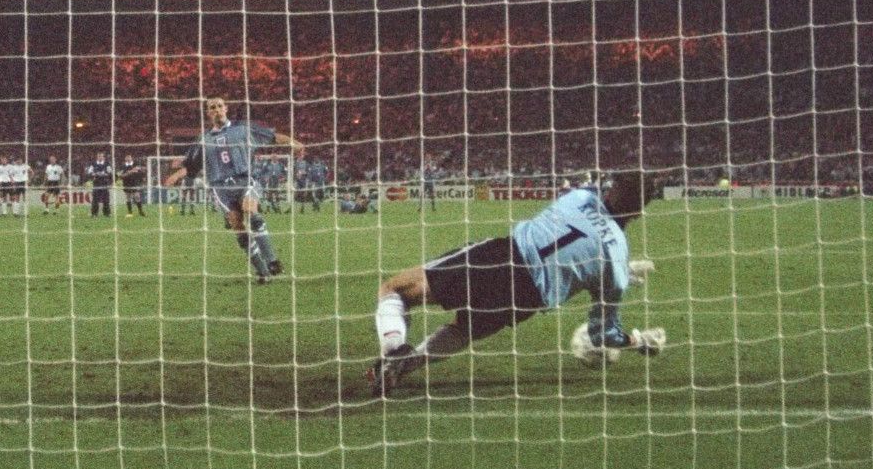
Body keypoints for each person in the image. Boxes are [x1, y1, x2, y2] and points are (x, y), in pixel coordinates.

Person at [367, 170, 667, 397]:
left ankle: (393, 350)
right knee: (464, 329)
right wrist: (638, 340)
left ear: (611, 190)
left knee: (396, 289)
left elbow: (582, 232)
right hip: (528, 298)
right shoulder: (614, 261)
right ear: (640, 212)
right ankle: (402, 368)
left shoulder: (579, 198)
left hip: (503, 258)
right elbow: (604, 334)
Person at [163, 96, 297, 283]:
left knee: (251, 212)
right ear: (208, 113)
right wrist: (177, 175)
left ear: (226, 108)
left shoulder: (242, 128)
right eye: (212, 107)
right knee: (238, 227)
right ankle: (263, 272)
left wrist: (294, 143)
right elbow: (192, 164)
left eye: (219, 106)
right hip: (220, 188)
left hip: (245, 180)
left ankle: (272, 260)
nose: (217, 109)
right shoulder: (204, 139)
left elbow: (273, 137)